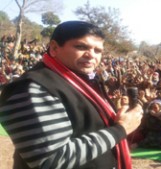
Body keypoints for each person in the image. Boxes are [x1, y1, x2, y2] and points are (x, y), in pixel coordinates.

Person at [0, 21, 143, 169]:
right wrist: (120, 129)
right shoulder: (31, 87)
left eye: (98, 50)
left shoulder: (83, 81)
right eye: (81, 47)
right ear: (54, 48)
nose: (91, 55)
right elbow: (51, 160)